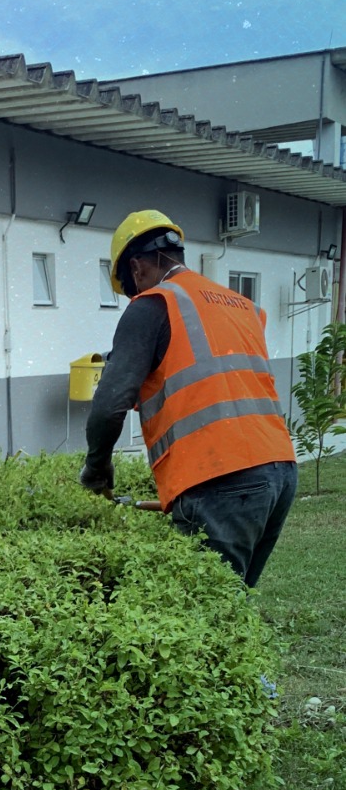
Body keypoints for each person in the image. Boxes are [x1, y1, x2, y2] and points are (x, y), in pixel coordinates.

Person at [79, 209, 297, 587]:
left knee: (205, 608)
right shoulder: (238, 305)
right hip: (279, 470)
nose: (135, 297)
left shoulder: (152, 304)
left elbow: (109, 404)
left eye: (131, 289)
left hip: (222, 479)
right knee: (232, 604)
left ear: (136, 268)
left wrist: (97, 469)